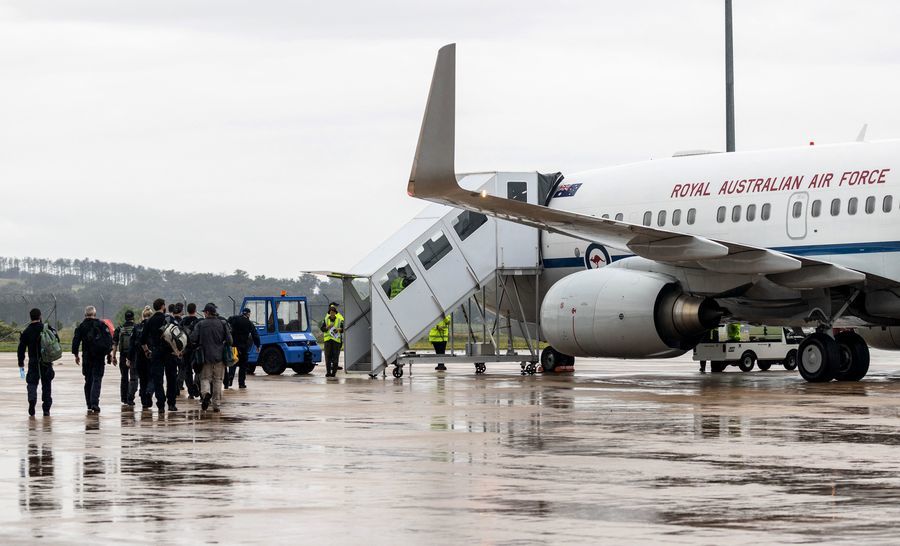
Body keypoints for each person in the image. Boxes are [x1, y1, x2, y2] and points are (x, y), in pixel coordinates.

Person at [190, 303, 232, 412]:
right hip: (219, 357)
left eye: (204, 312)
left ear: (207, 312)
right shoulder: (222, 324)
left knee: (204, 379)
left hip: (205, 357)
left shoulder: (200, 324)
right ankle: (216, 405)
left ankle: (206, 394)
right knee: (218, 380)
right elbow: (230, 341)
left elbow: (193, 338)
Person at [17, 308, 58, 416]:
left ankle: (32, 401)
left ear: (30, 317)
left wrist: (20, 362)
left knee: (32, 383)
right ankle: (46, 409)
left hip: (33, 361)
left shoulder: (26, 331)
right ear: (40, 316)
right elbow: (56, 340)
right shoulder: (46, 328)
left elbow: (21, 348)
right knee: (47, 385)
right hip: (46, 361)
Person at [72, 305, 113, 414]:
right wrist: (109, 353)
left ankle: (89, 404)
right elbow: (109, 340)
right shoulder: (101, 324)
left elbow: (75, 341)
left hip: (87, 357)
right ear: (95, 314)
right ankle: (95, 402)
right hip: (99, 357)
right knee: (97, 379)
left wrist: (76, 355)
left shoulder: (81, 326)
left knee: (88, 380)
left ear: (85, 314)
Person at [140, 298, 171, 412]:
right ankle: (171, 403)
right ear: (163, 306)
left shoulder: (149, 321)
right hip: (169, 352)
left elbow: (142, 339)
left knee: (158, 380)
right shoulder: (168, 319)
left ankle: (161, 404)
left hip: (156, 351)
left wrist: (147, 351)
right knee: (171, 377)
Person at [225, 308, 261, 389]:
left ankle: (230, 378)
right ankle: (241, 383)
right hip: (243, 347)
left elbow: (228, 321)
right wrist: (258, 345)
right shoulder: (249, 323)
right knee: (243, 365)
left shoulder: (235, 319)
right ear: (248, 314)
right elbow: (255, 335)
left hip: (234, 346)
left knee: (232, 363)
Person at [129, 306, 154, 409]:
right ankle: (149, 392)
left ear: (142, 316)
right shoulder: (154, 327)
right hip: (151, 356)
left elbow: (131, 345)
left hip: (139, 357)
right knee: (152, 378)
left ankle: (144, 400)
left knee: (142, 379)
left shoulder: (136, 327)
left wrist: (129, 358)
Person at [112, 310, 139, 406]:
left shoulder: (120, 329)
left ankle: (124, 398)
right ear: (133, 317)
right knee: (133, 377)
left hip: (123, 355)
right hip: (134, 356)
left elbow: (115, 344)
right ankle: (130, 397)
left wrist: (113, 356)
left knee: (124, 377)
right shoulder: (136, 327)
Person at [180, 303, 202, 398]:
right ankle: (197, 387)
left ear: (187, 310)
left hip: (185, 349)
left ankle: (191, 392)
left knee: (187, 371)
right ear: (195, 310)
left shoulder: (183, 321)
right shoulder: (198, 322)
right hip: (196, 349)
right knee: (198, 370)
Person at [319, 304, 344, 377]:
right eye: (330, 312)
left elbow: (343, 329)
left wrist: (339, 329)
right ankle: (328, 372)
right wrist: (327, 327)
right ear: (329, 312)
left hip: (336, 341)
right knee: (328, 357)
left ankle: (334, 373)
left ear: (335, 313)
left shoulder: (339, 320)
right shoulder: (326, 319)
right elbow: (322, 329)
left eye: (333, 312)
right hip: (328, 341)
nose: (332, 313)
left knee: (335, 357)